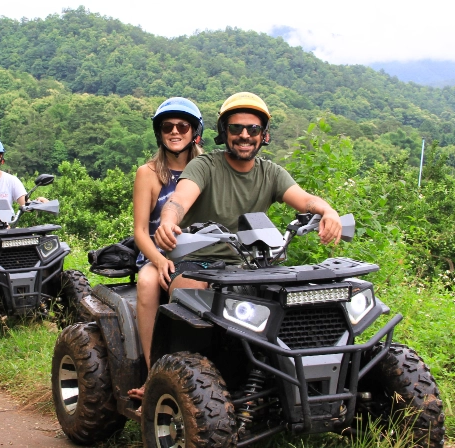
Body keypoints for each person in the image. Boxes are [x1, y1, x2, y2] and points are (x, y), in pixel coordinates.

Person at [154, 91, 343, 292]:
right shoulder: (204, 166)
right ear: (224, 132)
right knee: (189, 291)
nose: (244, 135)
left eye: (253, 129)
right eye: (236, 128)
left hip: (250, 264)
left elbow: (305, 200)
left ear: (263, 134)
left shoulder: (271, 173)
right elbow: (179, 200)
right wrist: (168, 221)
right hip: (196, 261)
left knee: (289, 296)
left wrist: (328, 211)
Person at [130, 97, 204, 399]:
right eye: (167, 126)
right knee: (148, 282)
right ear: (159, 132)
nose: (175, 132)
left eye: (182, 126)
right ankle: (154, 374)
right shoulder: (148, 173)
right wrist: (159, 261)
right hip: (157, 253)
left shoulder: (206, 168)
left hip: (200, 253)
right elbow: (139, 231)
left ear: (194, 131)